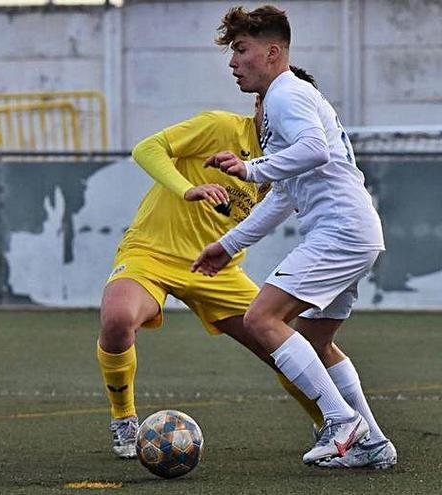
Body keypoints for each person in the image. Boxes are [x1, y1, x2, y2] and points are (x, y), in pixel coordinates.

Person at [192, 5, 396, 469]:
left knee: (263, 319)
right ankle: (375, 444)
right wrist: (228, 246)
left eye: (240, 50)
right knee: (316, 342)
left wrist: (249, 168)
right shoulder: (284, 103)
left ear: (272, 52)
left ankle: (341, 422)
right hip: (356, 231)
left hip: (341, 230)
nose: (232, 62)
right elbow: (282, 196)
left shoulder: (286, 93)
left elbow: (315, 150)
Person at [96, 72, 325, 459]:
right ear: (260, 105)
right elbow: (147, 148)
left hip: (218, 270)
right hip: (151, 253)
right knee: (117, 318)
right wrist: (189, 188)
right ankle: (124, 418)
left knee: (286, 349)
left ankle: (329, 426)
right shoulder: (219, 127)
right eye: (275, 107)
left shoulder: (284, 165)